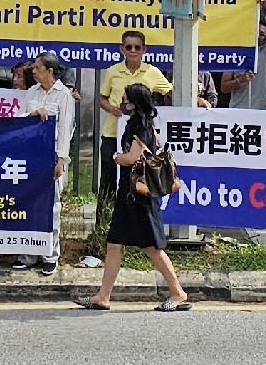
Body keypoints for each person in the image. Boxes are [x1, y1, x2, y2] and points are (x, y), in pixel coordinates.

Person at [74, 84, 191, 312]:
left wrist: (117, 157)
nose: (122, 101)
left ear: (136, 102)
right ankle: (103, 296)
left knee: (152, 248)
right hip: (127, 194)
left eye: (126, 98)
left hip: (140, 197)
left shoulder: (142, 127)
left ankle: (178, 293)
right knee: (114, 244)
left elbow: (133, 158)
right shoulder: (134, 124)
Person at [15, 52, 75, 275]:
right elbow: (18, 119)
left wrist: (61, 160)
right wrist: (32, 113)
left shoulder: (64, 96)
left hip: (52, 158)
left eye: (37, 68)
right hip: (31, 155)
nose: (33, 71)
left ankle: (50, 255)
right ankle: (29, 254)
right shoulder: (32, 92)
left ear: (49, 71)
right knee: (29, 204)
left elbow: (66, 130)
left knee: (51, 208)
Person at [96, 31, 172, 203]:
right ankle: (104, 218)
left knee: (136, 180)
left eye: (137, 47)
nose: (133, 50)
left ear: (144, 49)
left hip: (138, 137)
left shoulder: (152, 72)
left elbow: (170, 91)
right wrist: (112, 109)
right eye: (129, 47)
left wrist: (199, 100)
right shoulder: (112, 71)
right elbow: (101, 99)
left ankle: (131, 215)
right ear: (122, 49)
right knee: (108, 179)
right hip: (112, 133)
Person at [220, 0, 266, 108]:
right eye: (256, 32)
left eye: (262, 34)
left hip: (259, 111)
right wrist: (240, 80)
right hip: (238, 111)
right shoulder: (235, 52)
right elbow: (224, 87)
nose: (258, 36)